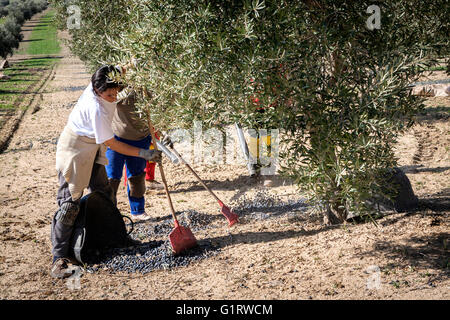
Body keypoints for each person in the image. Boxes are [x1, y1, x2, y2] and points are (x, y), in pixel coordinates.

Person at [51, 65, 162, 279]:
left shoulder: (105, 80)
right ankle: (59, 258)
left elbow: (122, 66)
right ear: (97, 89)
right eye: (109, 94)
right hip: (75, 148)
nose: (113, 97)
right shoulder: (97, 109)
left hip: (93, 146)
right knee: (69, 204)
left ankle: (115, 238)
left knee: (104, 192)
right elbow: (114, 145)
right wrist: (144, 154)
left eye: (115, 92)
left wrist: (137, 63)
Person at [105, 87, 161, 222]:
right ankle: (107, 213)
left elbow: (159, 113)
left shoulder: (152, 87)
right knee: (111, 179)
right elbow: (107, 100)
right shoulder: (120, 87)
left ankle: (138, 211)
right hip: (116, 139)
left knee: (137, 178)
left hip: (141, 139)